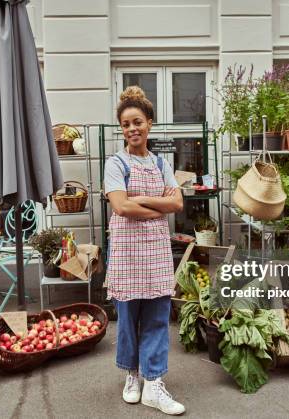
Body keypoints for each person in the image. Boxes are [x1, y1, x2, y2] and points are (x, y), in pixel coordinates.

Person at [104, 86, 185, 415]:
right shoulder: (115, 163)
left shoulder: (163, 163)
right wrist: (157, 208)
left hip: (155, 253)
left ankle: (153, 383)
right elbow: (120, 208)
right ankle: (132, 375)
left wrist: (140, 200)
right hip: (126, 254)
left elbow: (177, 202)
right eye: (125, 124)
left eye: (137, 121)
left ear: (149, 123)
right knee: (127, 320)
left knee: (156, 317)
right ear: (122, 129)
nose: (132, 128)